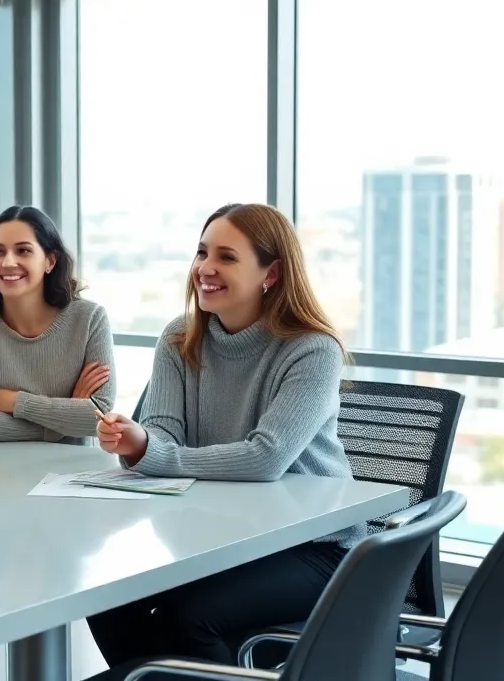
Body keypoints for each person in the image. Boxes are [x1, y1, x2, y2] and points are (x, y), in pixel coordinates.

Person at [88, 202, 357, 672]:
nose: (205, 269)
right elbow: (163, 433)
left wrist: (152, 452)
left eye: (226, 257)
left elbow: (264, 459)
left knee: (192, 616)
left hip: (315, 549)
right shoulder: (179, 338)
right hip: (218, 536)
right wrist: (137, 441)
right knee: (107, 594)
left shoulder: (312, 349)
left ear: (270, 272)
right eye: (201, 252)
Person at [0, 205, 115, 443]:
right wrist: (63, 423)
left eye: (23, 251)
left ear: (50, 260)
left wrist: (13, 401)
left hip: (75, 470)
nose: (8, 262)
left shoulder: (90, 319)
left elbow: (98, 417)